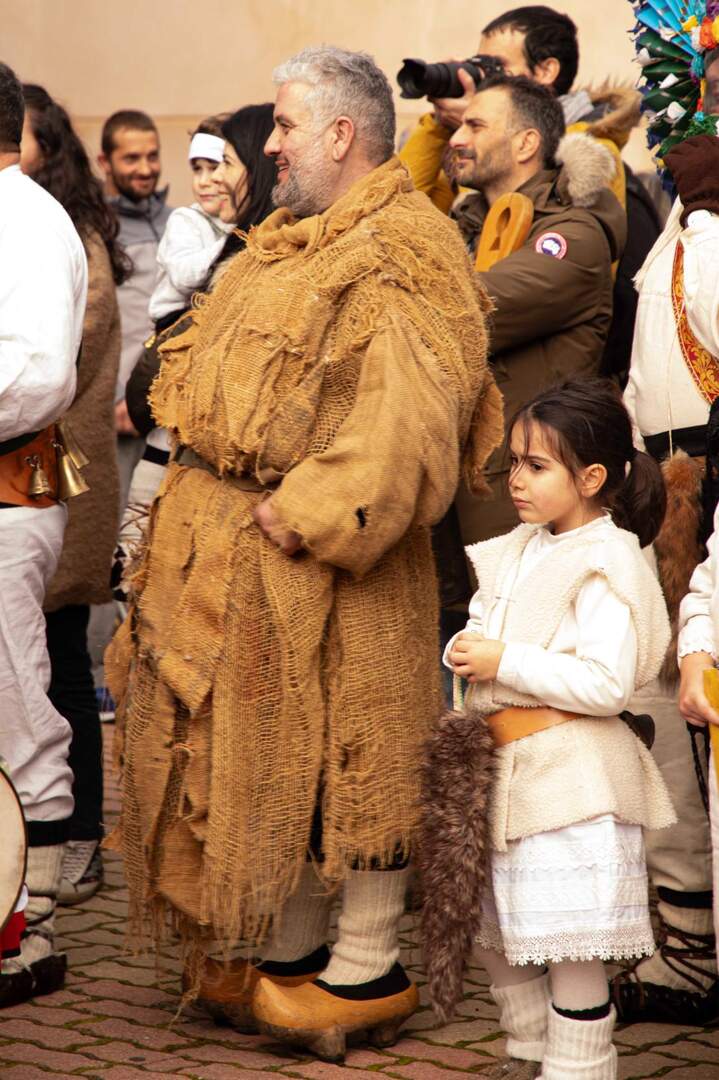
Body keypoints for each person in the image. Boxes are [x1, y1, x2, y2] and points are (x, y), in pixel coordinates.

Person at [105, 44, 502, 1061]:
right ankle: (289, 958)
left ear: (338, 134)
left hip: (333, 566)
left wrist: (305, 513)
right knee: (275, 758)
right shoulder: (288, 239)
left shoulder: (403, 247)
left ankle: (365, 970)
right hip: (243, 566)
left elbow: (410, 423)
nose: (266, 144)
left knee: (357, 758)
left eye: (282, 126)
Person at [437, 379, 675, 1080]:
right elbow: (492, 626)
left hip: (571, 781)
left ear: (591, 477)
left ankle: (579, 1069)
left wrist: (505, 659)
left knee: (568, 946)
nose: (515, 479)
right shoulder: (517, 547)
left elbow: (606, 683)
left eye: (535, 466)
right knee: (501, 935)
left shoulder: (609, 560)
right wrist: (470, 647)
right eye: (513, 462)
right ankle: (526, 1057)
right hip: (505, 774)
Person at [434, 73, 624, 630]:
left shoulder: (573, 237)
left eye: (475, 124)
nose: (456, 138)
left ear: (525, 144)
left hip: (517, 507)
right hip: (457, 504)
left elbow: (468, 312)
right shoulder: (461, 230)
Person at [616, 48, 719, 1025]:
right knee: (659, 702)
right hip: (662, 484)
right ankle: (684, 941)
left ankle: (694, 950)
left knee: (683, 707)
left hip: (702, 486)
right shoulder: (682, 220)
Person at [399, 4, 659, 383]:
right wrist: (439, 124)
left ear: (546, 70)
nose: (482, 77)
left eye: (495, 65)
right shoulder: (473, 205)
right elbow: (402, 215)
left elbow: (473, 310)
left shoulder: (587, 163)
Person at [19, 84, 129, 906]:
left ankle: (63, 857)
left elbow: (47, 372)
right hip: (32, 477)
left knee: (45, 677)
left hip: (38, 479)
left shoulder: (40, 224)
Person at [0, 62, 87, 1006]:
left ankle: (28, 934)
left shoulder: (22, 219)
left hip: (6, 494)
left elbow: (30, 376)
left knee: (16, 703)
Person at [116, 106, 276, 579]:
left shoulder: (232, 225)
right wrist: (231, 246)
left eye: (221, 166)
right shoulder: (188, 223)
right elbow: (188, 275)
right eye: (200, 169)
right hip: (174, 327)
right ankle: (129, 561)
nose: (209, 181)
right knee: (155, 463)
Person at [98, 108, 172, 504]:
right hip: (118, 417)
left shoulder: (179, 222)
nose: (146, 168)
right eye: (131, 158)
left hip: (170, 411)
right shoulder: (93, 228)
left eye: (152, 155)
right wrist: (115, 400)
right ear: (104, 162)